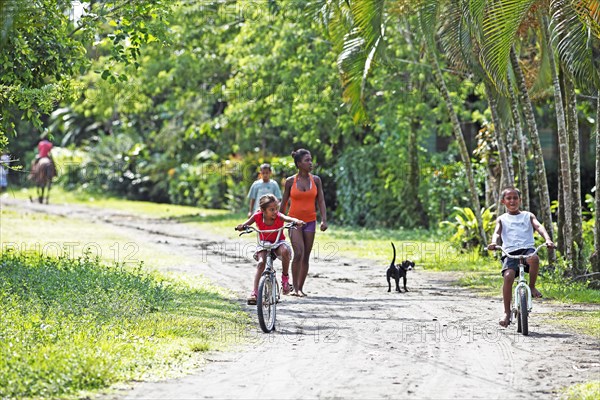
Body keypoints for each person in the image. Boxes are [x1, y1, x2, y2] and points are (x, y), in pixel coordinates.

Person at [488, 187, 554, 328]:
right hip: (509, 252)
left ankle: (532, 286)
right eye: (509, 198)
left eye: (515, 198)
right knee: (508, 276)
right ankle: (506, 312)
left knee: (534, 258)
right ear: (503, 201)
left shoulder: (528, 215)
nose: (512, 201)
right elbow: (497, 233)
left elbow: (539, 227)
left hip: (527, 249)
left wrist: (547, 239)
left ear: (520, 200)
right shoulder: (502, 219)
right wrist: (494, 242)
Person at [236, 194, 305, 305]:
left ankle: (285, 279)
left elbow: (288, 218)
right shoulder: (257, 216)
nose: (275, 211)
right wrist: (241, 226)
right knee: (261, 263)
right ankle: (254, 292)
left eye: (276, 208)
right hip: (263, 243)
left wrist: (296, 221)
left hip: (278, 242)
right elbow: (246, 224)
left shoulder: (278, 216)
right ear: (263, 210)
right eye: (271, 209)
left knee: (285, 251)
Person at [280, 149, 328, 297]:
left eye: (310, 160)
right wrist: (278, 222)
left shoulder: (316, 180)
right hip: (294, 221)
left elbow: (320, 200)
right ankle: (294, 287)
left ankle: (300, 288)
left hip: (310, 221)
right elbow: (283, 204)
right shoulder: (290, 182)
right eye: (307, 160)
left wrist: (324, 219)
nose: (310, 163)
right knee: (298, 253)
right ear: (299, 163)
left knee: (306, 255)